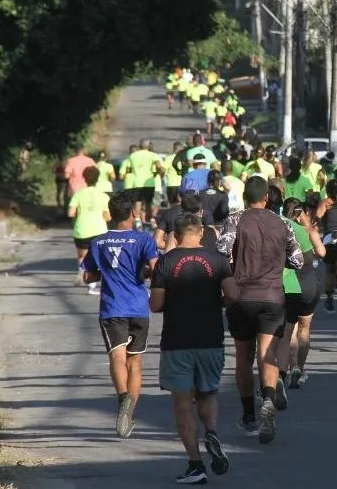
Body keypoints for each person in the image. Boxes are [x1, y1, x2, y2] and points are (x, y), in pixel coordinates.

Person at [150, 213, 237, 484]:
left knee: (183, 406)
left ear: (174, 236)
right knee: (208, 395)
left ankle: (196, 464)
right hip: (211, 339)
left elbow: (155, 305)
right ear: (200, 233)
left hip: (177, 341)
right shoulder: (218, 261)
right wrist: (215, 303)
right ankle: (211, 431)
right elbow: (233, 295)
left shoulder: (165, 262)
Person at [222, 177, 303, 443]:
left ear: (245, 197)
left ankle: (248, 415)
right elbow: (298, 260)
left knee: (243, 357)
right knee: (268, 354)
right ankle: (268, 400)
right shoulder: (282, 223)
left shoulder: (234, 220)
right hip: (273, 297)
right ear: (267, 198)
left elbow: (222, 252)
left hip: (241, 298)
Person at [80, 192, 159, 439]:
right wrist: (144, 274)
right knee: (135, 362)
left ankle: (123, 397)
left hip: (112, 307)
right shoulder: (144, 240)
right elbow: (155, 269)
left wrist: (105, 272)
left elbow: (88, 276)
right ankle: (130, 413)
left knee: (117, 355)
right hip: (138, 307)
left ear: (111, 215)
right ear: (134, 214)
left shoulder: (98, 242)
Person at [278, 198, 326, 390]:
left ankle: (291, 366)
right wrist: (308, 225)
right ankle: (301, 368)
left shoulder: (280, 228)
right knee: (304, 328)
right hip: (308, 282)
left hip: (289, 281)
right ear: (301, 214)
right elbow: (321, 252)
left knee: (290, 329)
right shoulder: (307, 231)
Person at [68, 166, 111, 293]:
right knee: (97, 258)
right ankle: (92, 286)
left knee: (82, 256)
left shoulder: (78, 194)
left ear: (84, 178)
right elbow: (107, 217)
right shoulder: (103, 196)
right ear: (98, 178)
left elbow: (71, 213)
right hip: (99, 230)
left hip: (81, 229)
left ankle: (81, 271)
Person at [317, 179, 337, 315]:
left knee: (330, 270)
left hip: (330, 239)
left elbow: (318, 215)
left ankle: (329, 300)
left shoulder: (326, 203)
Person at [127, 139, 165, 220]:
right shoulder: (153, 155)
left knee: (138, 203)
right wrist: (161, 173)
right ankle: (148, 222)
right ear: (148, 146)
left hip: (137, 183)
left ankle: (137, 221)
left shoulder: (132, 156)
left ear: (139, 146)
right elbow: (159, 167)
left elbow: (128, 170)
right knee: (148, 203)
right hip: (149, 183)